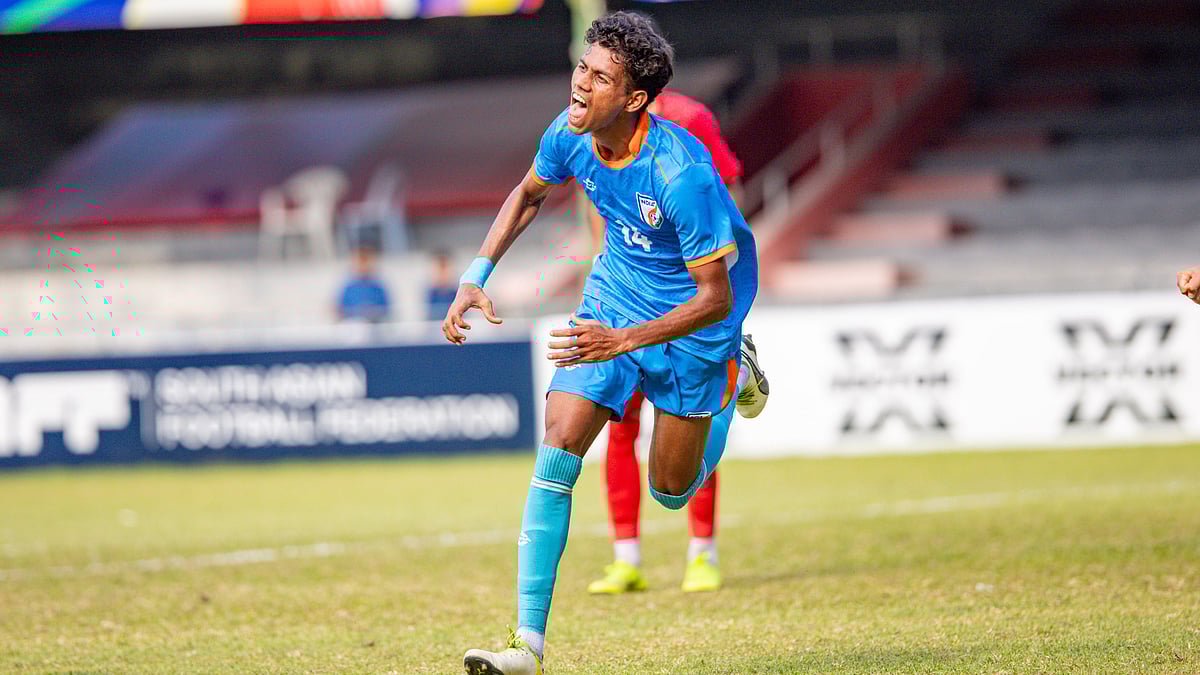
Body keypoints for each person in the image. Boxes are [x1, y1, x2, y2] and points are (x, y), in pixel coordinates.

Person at [445, 13, 765, 674]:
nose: (580, 83)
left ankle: (738, 380)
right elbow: (529, 194)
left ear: (636, 98)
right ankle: (526, 647)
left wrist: (624, 340)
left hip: (696, 320)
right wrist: (476, 276)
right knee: (559, 441)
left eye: (599, 76)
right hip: (614, 294)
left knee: (671, 490)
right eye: (582, 67)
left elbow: (716, 295)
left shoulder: (683, 174)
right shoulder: (570, 131)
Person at [582, 89, 765, 597]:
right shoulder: (597, 127)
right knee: (618, 425)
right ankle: (626, 559)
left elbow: (727, 193)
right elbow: (599, 202)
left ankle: (702, 552)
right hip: (624, 296)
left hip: (687, 301)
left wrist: (717, 275)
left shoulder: (691, 120)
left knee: (690, 420)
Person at [335, 235, 391, 323]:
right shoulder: (349, 288)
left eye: (366, 260)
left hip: (375, 325)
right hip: (354, 326)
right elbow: (341, 310)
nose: (363, 264)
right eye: (361, 260)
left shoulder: (378, 287)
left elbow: (386, 309)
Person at [427, 250, 460, 321]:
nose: (442, 272)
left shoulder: (459, 292)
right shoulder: (431, 293)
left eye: (444, 268)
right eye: (439, 268)